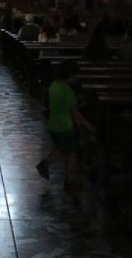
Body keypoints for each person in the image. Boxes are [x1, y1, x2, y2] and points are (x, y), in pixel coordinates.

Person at [36, 60, 95, 189]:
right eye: (75, 76)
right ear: (70, 75)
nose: (76, 79)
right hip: (65, 126)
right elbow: (75, 113)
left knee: (61, 149)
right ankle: (70, 180)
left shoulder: (53, 86)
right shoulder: (67, 91)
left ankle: (46, 164)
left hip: (53, 125)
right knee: (72, 152)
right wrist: (87, 125)